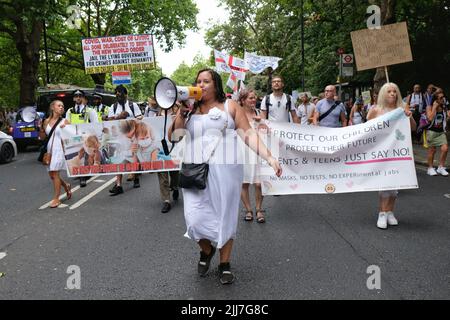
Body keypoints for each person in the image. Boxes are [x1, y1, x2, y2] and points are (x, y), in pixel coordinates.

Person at [169, 68, 282, 284]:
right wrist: (182, 112)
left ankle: (225, 263)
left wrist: (269, 158)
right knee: (193, 220)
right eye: (198, 81)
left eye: (206, 81)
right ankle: (206, 250)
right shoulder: (189, 109)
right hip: (195, 171)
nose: (201, 85)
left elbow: (249, 134)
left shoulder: (230, 106)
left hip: (227, 170)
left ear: (216, 85)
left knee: (225, 215)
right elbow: (174, 136)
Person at [366, 82, 416, 229]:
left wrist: (409, 116)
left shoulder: (402, 109)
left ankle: (390, 212)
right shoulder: (376, 110)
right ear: (383, 94)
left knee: (395, 185)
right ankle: (382, 213)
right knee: (384, 184)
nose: (392, 94)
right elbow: (366, 130)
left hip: (399, 151)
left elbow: (413, 128)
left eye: (395, 91)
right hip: (382, 151)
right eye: (389, 91)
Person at [107, 85, 143, 195]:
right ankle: (118, 185)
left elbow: (140, 117)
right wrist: (119, 117)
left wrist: (131, 119)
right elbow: (110, 120)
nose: (119, 96)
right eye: (117, 94)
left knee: (133, 158)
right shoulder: (113, 107)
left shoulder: (133, 105)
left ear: (126, 94)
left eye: (121, 94)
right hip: (119, 138)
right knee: (119, 159)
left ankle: (136, 177)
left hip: (132, 137)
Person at [238, 89, 266, 223]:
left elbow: (268, 132)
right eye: (250, 98)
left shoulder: (259, 113)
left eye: (254, 98)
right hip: (242, 151)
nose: (254, 100)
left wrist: (262, 122)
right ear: (243, 100)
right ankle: (248, 210)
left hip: (257, 151)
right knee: (244, 183)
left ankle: (259, 209)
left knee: (259, 184)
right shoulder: (237, 114)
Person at [39, 100, 72, 208]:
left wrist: (66, 130)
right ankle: (66, 186)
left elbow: (72, 136)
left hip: (60, 150)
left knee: (55, 173)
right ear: (52, 107)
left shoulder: (65, 121)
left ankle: (56, 199)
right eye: (59, 105)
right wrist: (41, 129)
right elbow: (43, 138)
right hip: (49, 151)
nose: (61, 107)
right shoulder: (46, 121)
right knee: (52, 176)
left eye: (62, 106)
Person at [65, 89, 98, 187]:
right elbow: (67, 124)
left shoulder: (90, 111)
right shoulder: (70, 111)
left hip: (86, 137)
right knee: (78, 156)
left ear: (83, 98)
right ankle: (82, 173)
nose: (78, 98)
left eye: (80, 96)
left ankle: (83, 177)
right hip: (74, 137)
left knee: (85, 157)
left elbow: (95, 123)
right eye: (76, 96)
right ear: (74, 98)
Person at [424, 91, 449, 176]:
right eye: (441, 98)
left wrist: (448, 116)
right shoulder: (429, 107)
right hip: (432, 132)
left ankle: (440, 167)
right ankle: (430, 168)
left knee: (445, 149)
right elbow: (430, 119)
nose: (443, 99)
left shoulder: (444, 107)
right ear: (436, 99)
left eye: (443, 97)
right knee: (432, 151)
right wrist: (434, 107)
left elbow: (445, 120)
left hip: (441, 132)